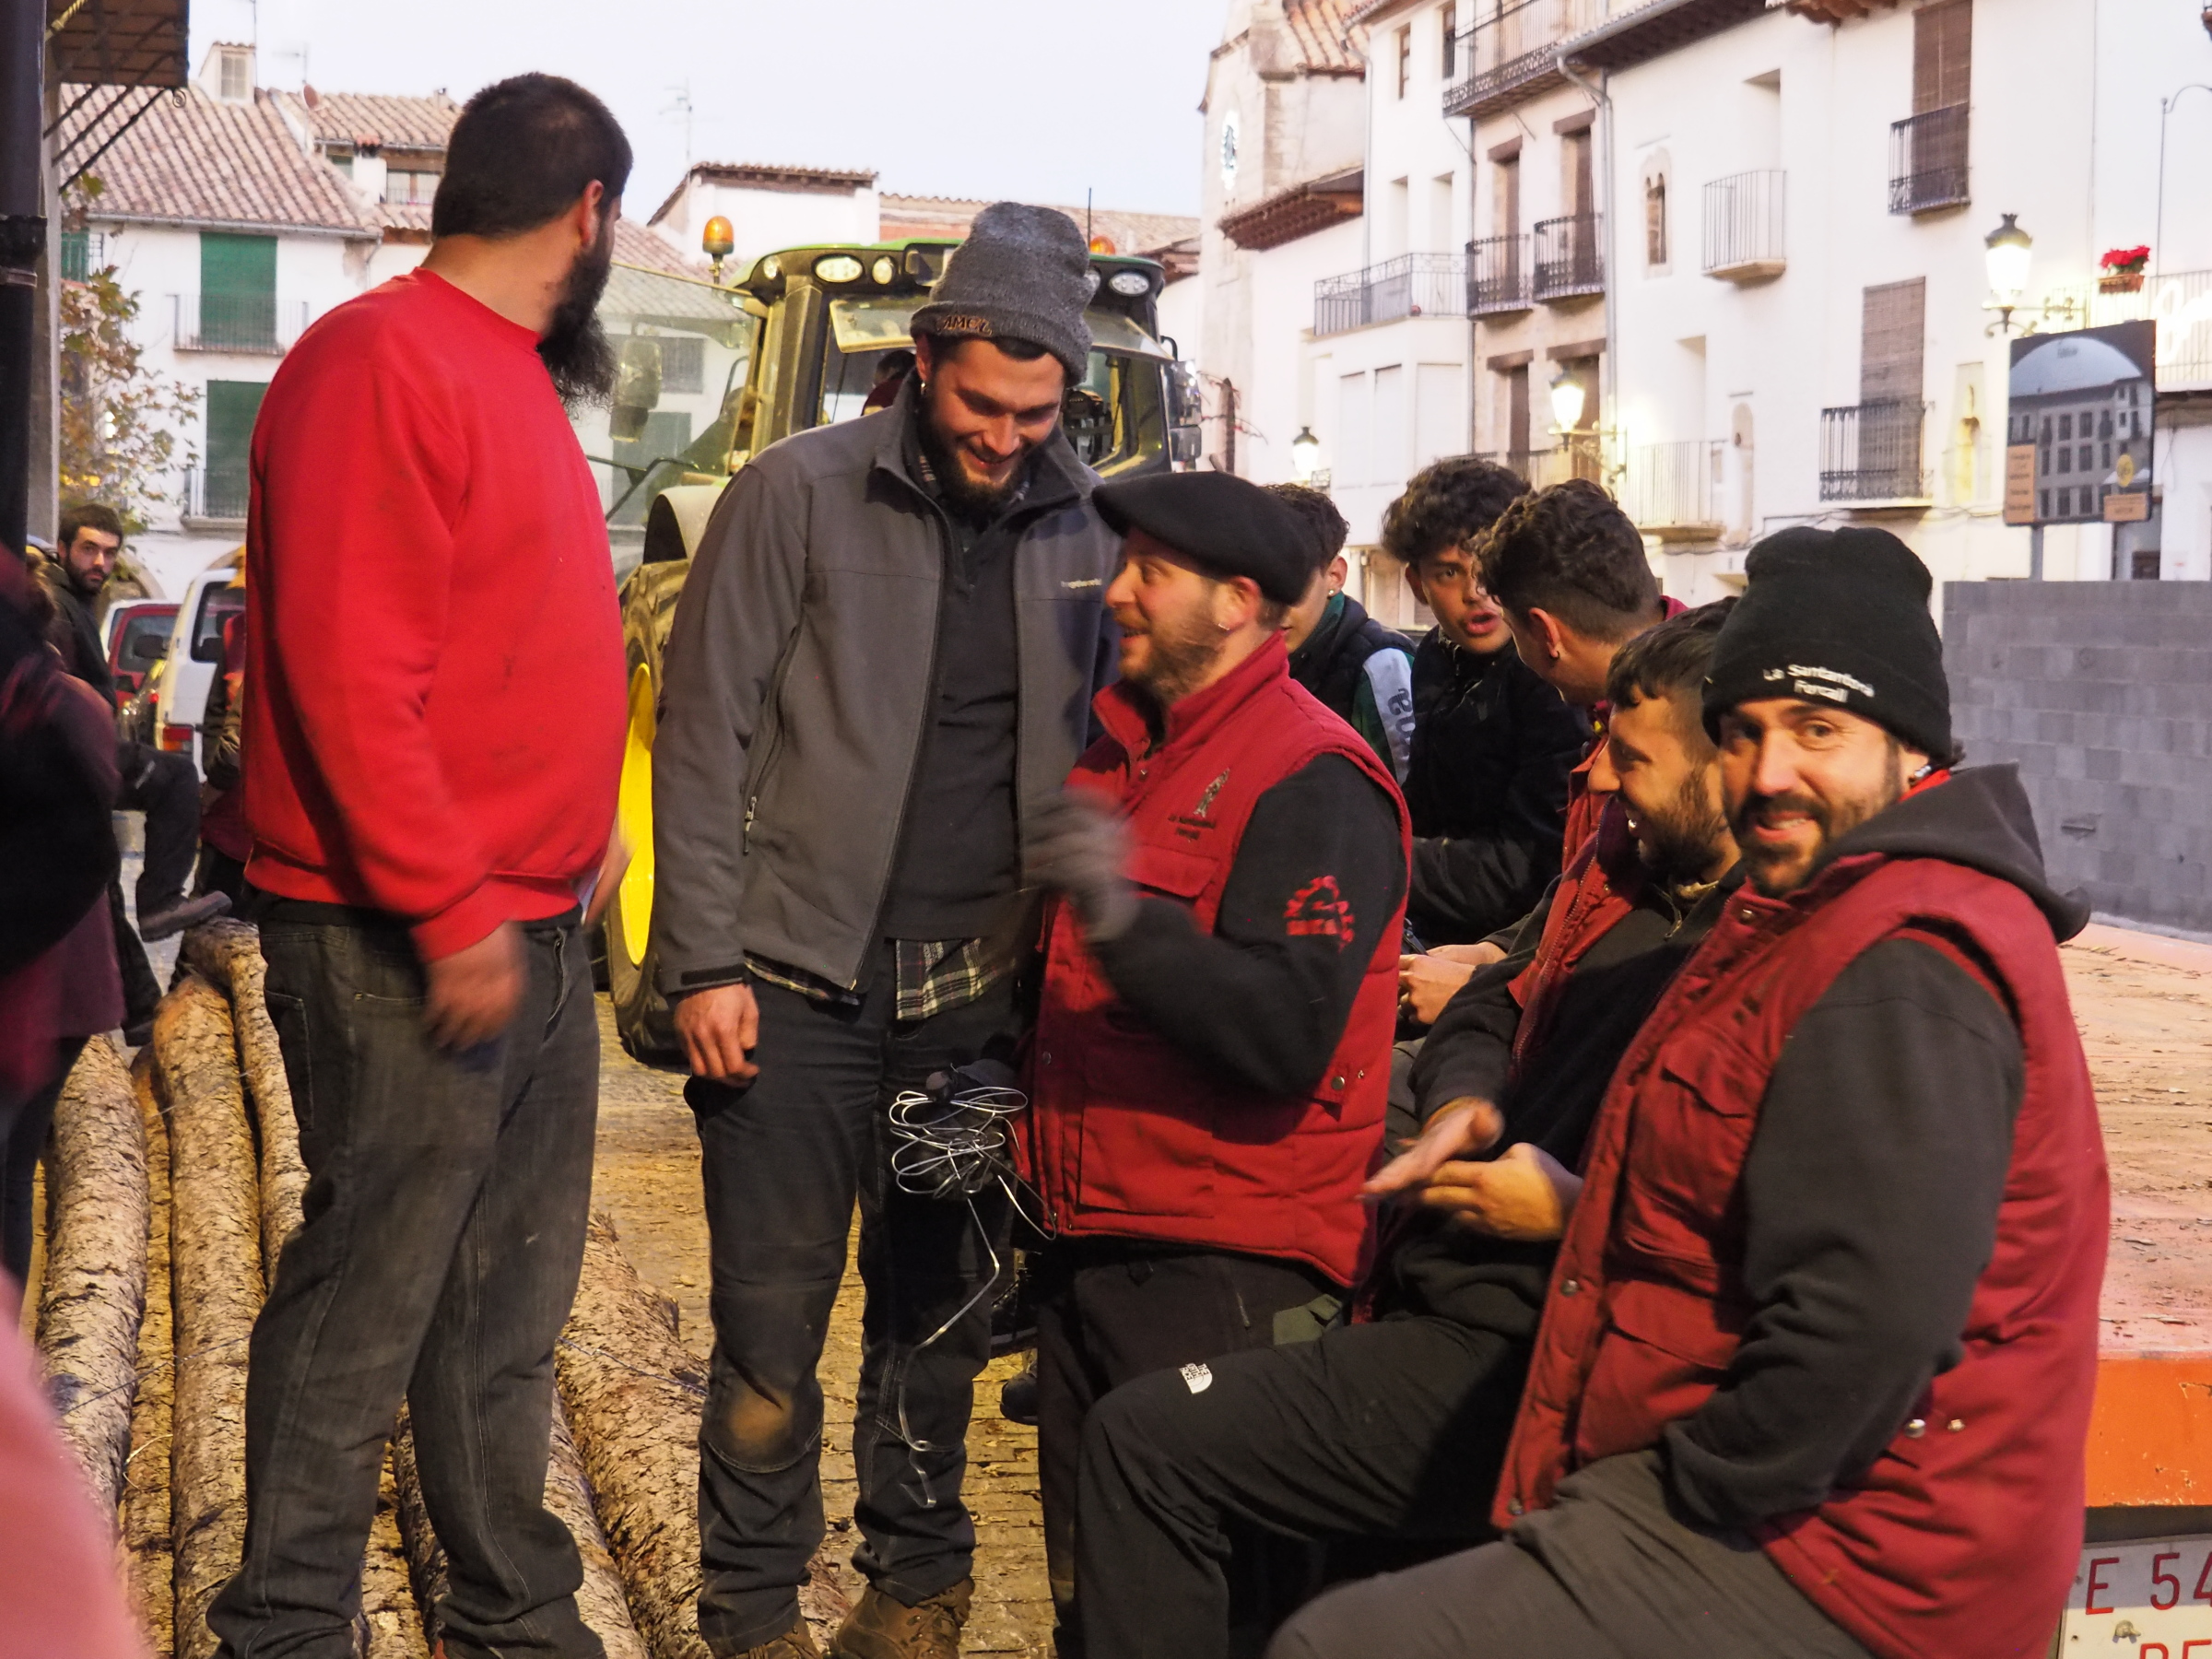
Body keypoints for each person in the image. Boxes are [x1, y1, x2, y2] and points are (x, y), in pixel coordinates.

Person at [1271, 527, 2108, 1659]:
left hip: (1854, 1559)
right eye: (1743, 733)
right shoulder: (1805, 910)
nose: (1769, 772)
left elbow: (1862, 1334)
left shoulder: (1900, 959)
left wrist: (1676, 1490)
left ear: (1909, 746)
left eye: (1817, 730)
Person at [1070, 604, 1740, 1659]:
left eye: (1634, 756)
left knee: (1147, 1449)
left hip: (1534, 1356)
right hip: (1448, 1293)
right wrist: (1467, 1105)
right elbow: (1490, 1001)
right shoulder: (1622, 876)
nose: (1602, 778)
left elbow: (1765, 1236)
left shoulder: (1774, 951)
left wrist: (1574, 1213)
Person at [651, 202, 1123, 1659]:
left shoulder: (1093, 529)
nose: (1007, 439)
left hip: (976, 1007)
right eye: (984, 406)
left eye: (1037, 415)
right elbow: (703, 734)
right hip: (789, 991)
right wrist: (702, 960)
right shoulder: (791, 493)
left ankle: (917, 1593)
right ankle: (750, 1615)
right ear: (924, 361)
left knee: (939, 1328)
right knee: (770, 1328)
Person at [210, 74, 632, 1659]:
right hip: (400, 934)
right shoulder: (380, 361)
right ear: (589, 213)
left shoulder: (502, 373)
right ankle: (285, 1629)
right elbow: (345, 667)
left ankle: (515, 1619)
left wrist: (572, 846)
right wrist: (451, 905)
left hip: (525, 925)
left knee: (502, 1311)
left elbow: (491, 644)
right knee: (367, 1298)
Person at [1014, 470, 1409, 1656]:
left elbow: (1285, 1032)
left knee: (1216, 1617)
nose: (1117, 593)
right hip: (1097, 1244)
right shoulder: (1123, 756)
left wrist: (1120, 917)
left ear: (1237, 601)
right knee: (1102, 1610)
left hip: (1227, 1270)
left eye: (1152, 572)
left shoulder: (1313, 778)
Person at [1398, 478, 1677, 1025]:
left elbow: (1656, 962)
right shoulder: (1643, 688)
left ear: (1545, 633)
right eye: (1446, 573)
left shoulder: (1686, 718)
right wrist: (1499, 954)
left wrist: (1488, 990)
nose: (1602, 780)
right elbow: (1579, 897)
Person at [39, 503, 228, 1030]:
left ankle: (140, 1009)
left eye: (109, 552)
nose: (99, 562)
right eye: (88, 549)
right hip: (73, 756)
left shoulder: (74, 600)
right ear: (63, 548)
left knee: (103, 886)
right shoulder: (55, 603)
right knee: (177, 777)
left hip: (72, 760)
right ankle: (161, 901)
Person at [1387, 458, 1586, 948]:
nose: (1477, 594)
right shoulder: (1435, 654)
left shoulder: (1554, 676)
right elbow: (1428, 807)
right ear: (1417, 584)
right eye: (1450, 572)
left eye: (1489, 566)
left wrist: (1372, 857)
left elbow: (1532, 868)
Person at [1271, 483, 1415, 782]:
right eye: (1260, 587)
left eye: (1292, 585)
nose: (1274, 608)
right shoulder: (1256, 658)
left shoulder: (1380, 664)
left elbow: (1407, 791)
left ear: (1335, 575)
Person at [194, 583, 250, 903]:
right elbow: (216, 713)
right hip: (229, 814)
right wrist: (213, 776)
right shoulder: (237, 630)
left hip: (267, 818)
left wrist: (214, 788)